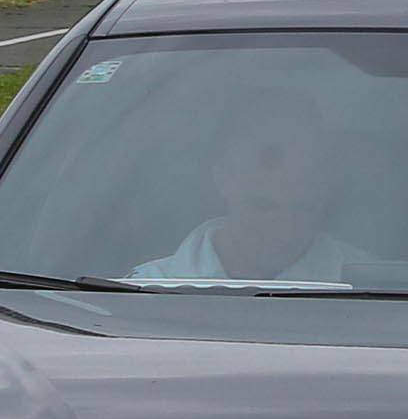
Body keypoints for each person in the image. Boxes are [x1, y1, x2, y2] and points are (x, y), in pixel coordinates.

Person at [133, 103, 368, 285]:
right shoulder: (139, 293)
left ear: (325, 191)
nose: (285, 231)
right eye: (265, 207)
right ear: (224, 180)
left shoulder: (374, 285)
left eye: (304, 208)